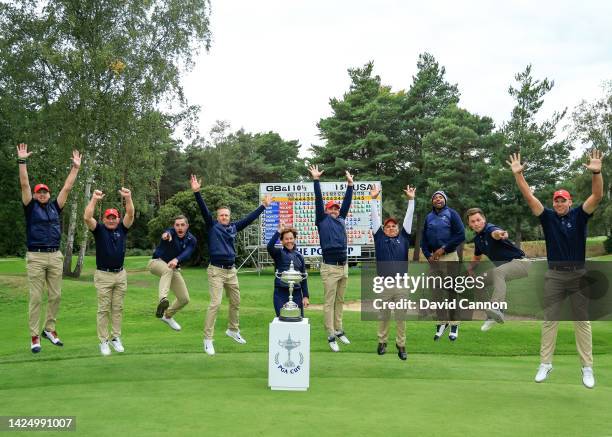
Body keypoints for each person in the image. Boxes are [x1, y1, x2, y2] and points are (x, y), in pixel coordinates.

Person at [508, 150, 604, 389]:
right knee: (550, 320)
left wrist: (596, 172)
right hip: (554, 275)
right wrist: (519, 175)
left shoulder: (580, 215)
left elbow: (597, 195)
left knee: (582, 321)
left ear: (570, 202)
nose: (559, 203)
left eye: (563, 200)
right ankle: (545, 363)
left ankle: (587, 368)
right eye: (556, 200)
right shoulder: (547, 218)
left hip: (578, 274)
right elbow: (530, 197)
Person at [191, 175, 272, 356]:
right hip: (216, 271)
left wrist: (263, 206)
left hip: (231, 271)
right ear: (217, 217)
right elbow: (204, 210)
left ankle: (233, 330)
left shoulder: (234, 227)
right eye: (221, 215)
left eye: (226, 215)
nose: (224, 217)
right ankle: (207, 339)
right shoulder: (212, 226)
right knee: (215, 304)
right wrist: (197, 192)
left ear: (229, 217)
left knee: (236, 302)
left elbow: (249, 218)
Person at [17, 143, 81, 353]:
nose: (43, 195)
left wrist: (75, 168)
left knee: (56, 296)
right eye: (40, 192)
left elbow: (67, 188)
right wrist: (22, 161)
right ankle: (35, 336)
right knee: (36, 297)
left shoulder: (55, 207)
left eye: (45, 192)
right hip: (35, 256)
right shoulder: (30, 206)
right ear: (35, 195)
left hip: (55, 256)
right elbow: (25, 184)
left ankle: (49, 329)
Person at [308, 165, 353, 352]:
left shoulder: (341, 219)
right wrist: (316, 181)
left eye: (336, 209)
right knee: (329, 302)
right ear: (326, 211)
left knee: (340, 301)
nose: (335, 211)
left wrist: (350, 185)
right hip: (329, 267)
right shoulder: (322, 219)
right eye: (331, 209)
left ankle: (339, 329)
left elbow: (347, 204)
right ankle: (330, 334)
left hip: (343, 266)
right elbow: (319, 201)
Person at [84, 188, 135, 356]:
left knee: (118, 308)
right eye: (109, 217)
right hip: (103, 275)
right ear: (104, 219)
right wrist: (94, 199)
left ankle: (115, 338)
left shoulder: (123, 228)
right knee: (104, 309)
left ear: (118, 219)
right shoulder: (99, 230)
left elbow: (131, 215)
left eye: (114, 217)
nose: (112, 220)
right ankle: (103, 341)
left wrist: (128, 198)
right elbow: (86, 217)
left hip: (120, 274)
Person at [370, 184, 415, 360]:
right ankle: (382, 341)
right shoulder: (379, 237)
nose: (391, 229)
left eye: (393, 227)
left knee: (401, 317)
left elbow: (409, 218)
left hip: (402, 284)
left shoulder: (404, 238)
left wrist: (411, 200)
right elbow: (374, 218)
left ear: (398, 229)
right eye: (387, 227)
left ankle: (401, 345)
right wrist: (373, 199)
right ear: (384, 229)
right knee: (383, 315)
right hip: (384, 284)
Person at [465, 208, 530, 331]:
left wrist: (501, 234)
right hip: (504, 268)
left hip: (521, 263)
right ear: (469, 224)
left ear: (484, 219)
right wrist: (470, 268)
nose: (476, 223)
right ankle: (492, 315)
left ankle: (496, 307)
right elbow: (477, 257)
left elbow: (496, 233)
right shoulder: (478, 240)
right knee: (478, 281)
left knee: (497, 272)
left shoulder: (490, 229)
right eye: (472, 221)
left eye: (478, 220)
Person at [420, 190, 465, 341]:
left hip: (450, 256)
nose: (438, 199)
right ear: (432, 201)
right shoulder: (429, 217)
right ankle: (441, 323)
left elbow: (461, 235)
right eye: (435, 198)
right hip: (434, 259)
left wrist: (444, 249)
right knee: (436, 293)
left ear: (445, 200)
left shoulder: (452, 214)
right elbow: (423, 240)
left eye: (440, 197)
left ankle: (454, 325)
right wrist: (428, 256)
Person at [148, 215, 197, 332]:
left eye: (182, 225)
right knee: (167, 270)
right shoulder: (171, 233)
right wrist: (166, 235)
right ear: (174, 226)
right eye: (177, 225)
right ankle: (162, 300)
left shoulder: (192, 239)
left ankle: (167, 316)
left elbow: (188, 253)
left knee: (184, 299)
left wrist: (176, 260)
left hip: (172, 268)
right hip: (156, 262)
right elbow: (167, 233)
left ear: (187, 226)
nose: (179, 228)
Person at [267, 223, 310, 317]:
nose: (289, 241)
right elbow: (269, 247)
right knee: (282, 320)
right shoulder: (278, 253)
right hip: (280, 293)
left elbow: (303, 278)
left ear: (294, 239)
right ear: (282, 241)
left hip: (297, 294)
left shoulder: (300, 257)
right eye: (286, 239)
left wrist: (306, 296)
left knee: (298, 321)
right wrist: (279, 231)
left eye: (291, 238)